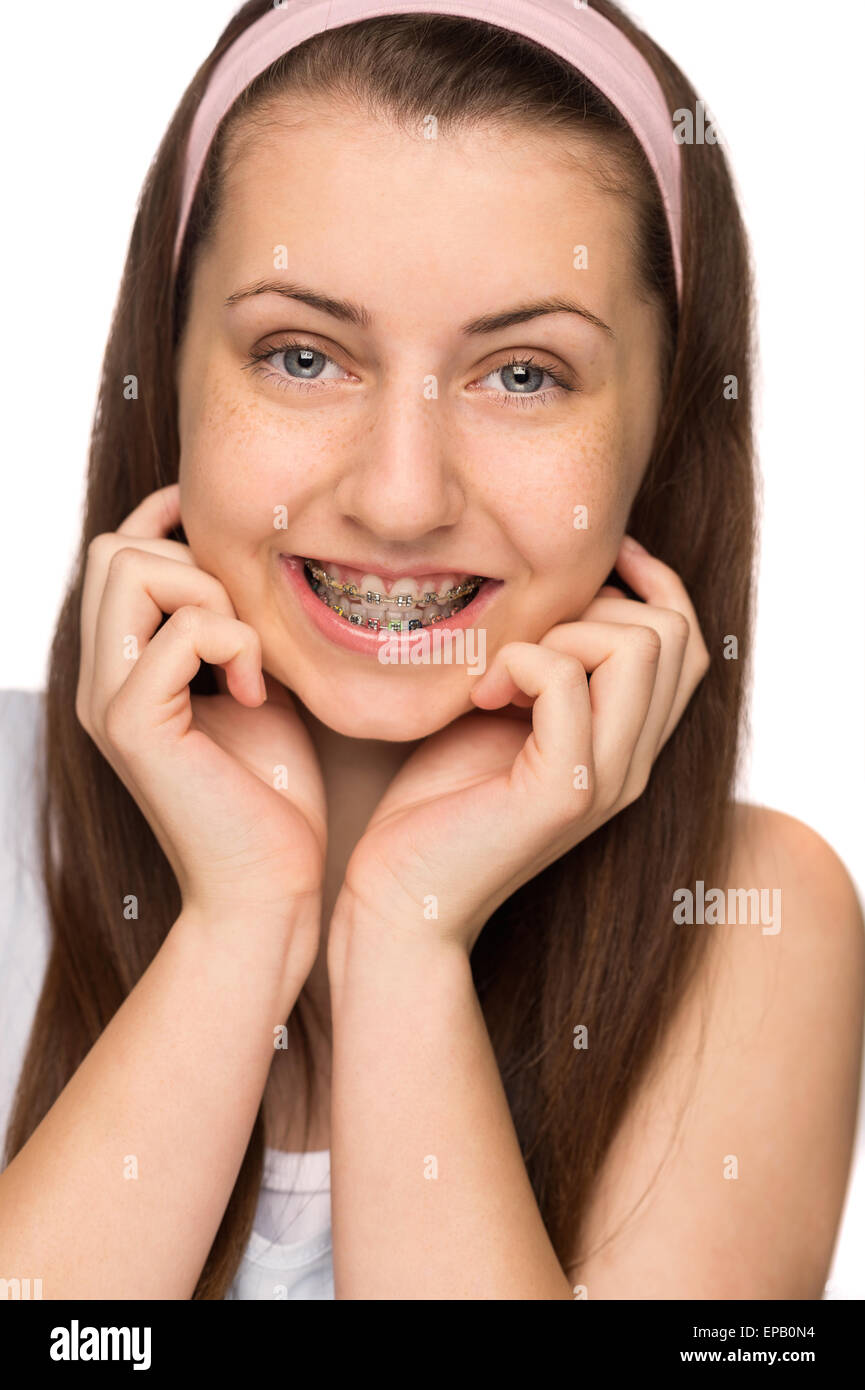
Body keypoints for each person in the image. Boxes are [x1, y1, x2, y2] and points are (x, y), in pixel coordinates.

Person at [1, 0, 862, 1301]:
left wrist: (405, 931)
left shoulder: (747, 918)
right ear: (165, 372)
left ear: (660, 431)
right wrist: (240, 922)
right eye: (301, 355)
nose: (400, 499)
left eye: (522, 375)